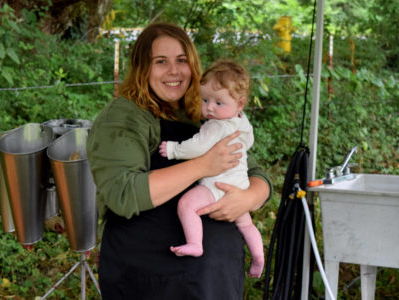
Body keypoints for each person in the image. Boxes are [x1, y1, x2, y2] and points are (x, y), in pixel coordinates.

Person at [86, 22, 272, 300]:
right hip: (151, 278)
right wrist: (203, 166)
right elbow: (123, 194)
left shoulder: (206, 111)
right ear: (142, 68)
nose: (174, 71)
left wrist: (248, 199)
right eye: (161, 61)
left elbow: (255, 173)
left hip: (213, 278)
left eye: (181, 60)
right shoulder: (124, 117)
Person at [159, 59, 264, 278]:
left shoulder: (215, 126)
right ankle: (258, 256)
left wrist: (173, 150)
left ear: (240, 103)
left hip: (217, 185)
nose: (209, 108)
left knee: (186, 205)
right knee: (245, 224)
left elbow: (197, 147)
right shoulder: (242, 122)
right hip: (240, 186)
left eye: (219, 103)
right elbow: (249, 144)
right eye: (205, 99)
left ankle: (195, 243)